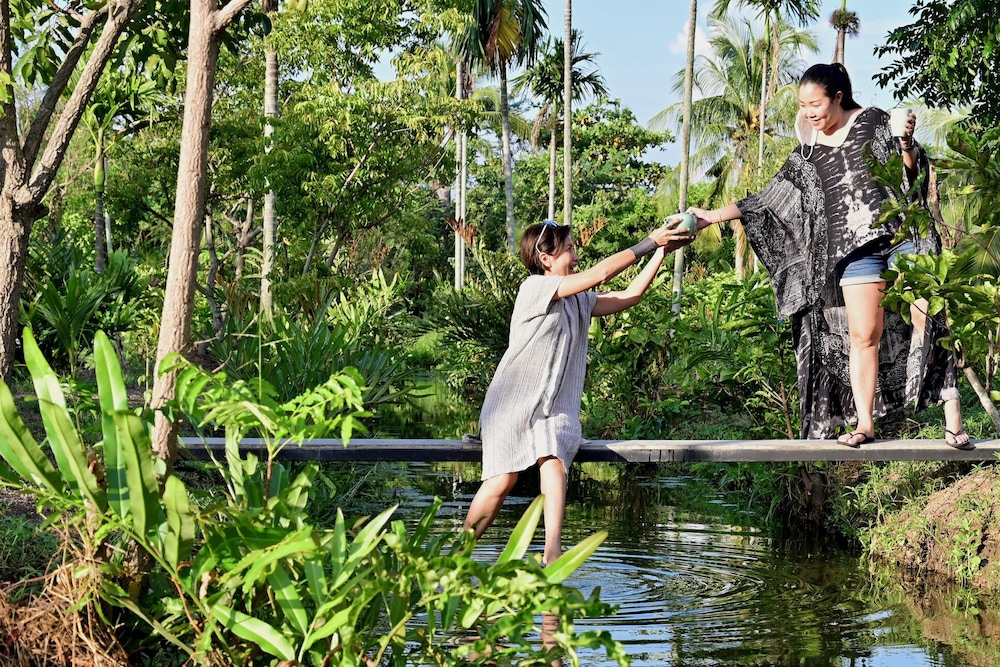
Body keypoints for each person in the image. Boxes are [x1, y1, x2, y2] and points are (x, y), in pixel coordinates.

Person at [688, 62, 971, 449]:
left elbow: (912, 173)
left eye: (815, 103)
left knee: (930, 319)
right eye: (803, 106)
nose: (809, 113)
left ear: (838, 97)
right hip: (854, 252)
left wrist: (905, 144)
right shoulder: (807, 155)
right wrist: (710, 217)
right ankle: (865, 425)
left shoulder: (873, 121)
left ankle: (953, 422)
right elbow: (769, 200)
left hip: (905, 235)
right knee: (862, 336)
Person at [463, 218, 694, 565]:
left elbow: (630, 295)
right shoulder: (534, 288)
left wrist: (660, 252)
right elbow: (602, 274)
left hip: (552, 410)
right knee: (503, 480)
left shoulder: (578, 301)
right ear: (545, 259)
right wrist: (649, 240)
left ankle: (552, 552)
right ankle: (456, 555)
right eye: (568, 248)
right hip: (512, 404)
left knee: (555, 461)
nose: (575, 254)